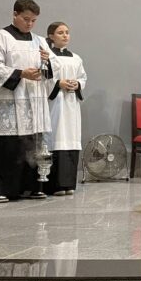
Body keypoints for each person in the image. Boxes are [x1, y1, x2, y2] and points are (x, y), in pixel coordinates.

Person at [0, 0, 59, 203]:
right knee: (7, 148)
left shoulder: (40, 41)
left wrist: (47, 63)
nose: (30, 24)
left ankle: (32, 187)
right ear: (15, 14)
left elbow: (54, 67)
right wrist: (21, 73)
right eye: (26, 19)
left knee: (32, 146)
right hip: (8, 103)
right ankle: (1, 189)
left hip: (34, 103)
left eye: (34, 20)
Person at [45, 21, 87, 195]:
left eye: (67, 32)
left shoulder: (76, 58)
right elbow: (44, 79)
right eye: (60, 32)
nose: (65, 35)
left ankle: (68, 184)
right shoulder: (47, 56)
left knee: (71, 138)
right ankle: (55, 185)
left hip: (71, 104)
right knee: (57, 137)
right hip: (55, 103)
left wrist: (77, 84)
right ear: (51, 36)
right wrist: (58, 84)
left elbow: (83, 77)